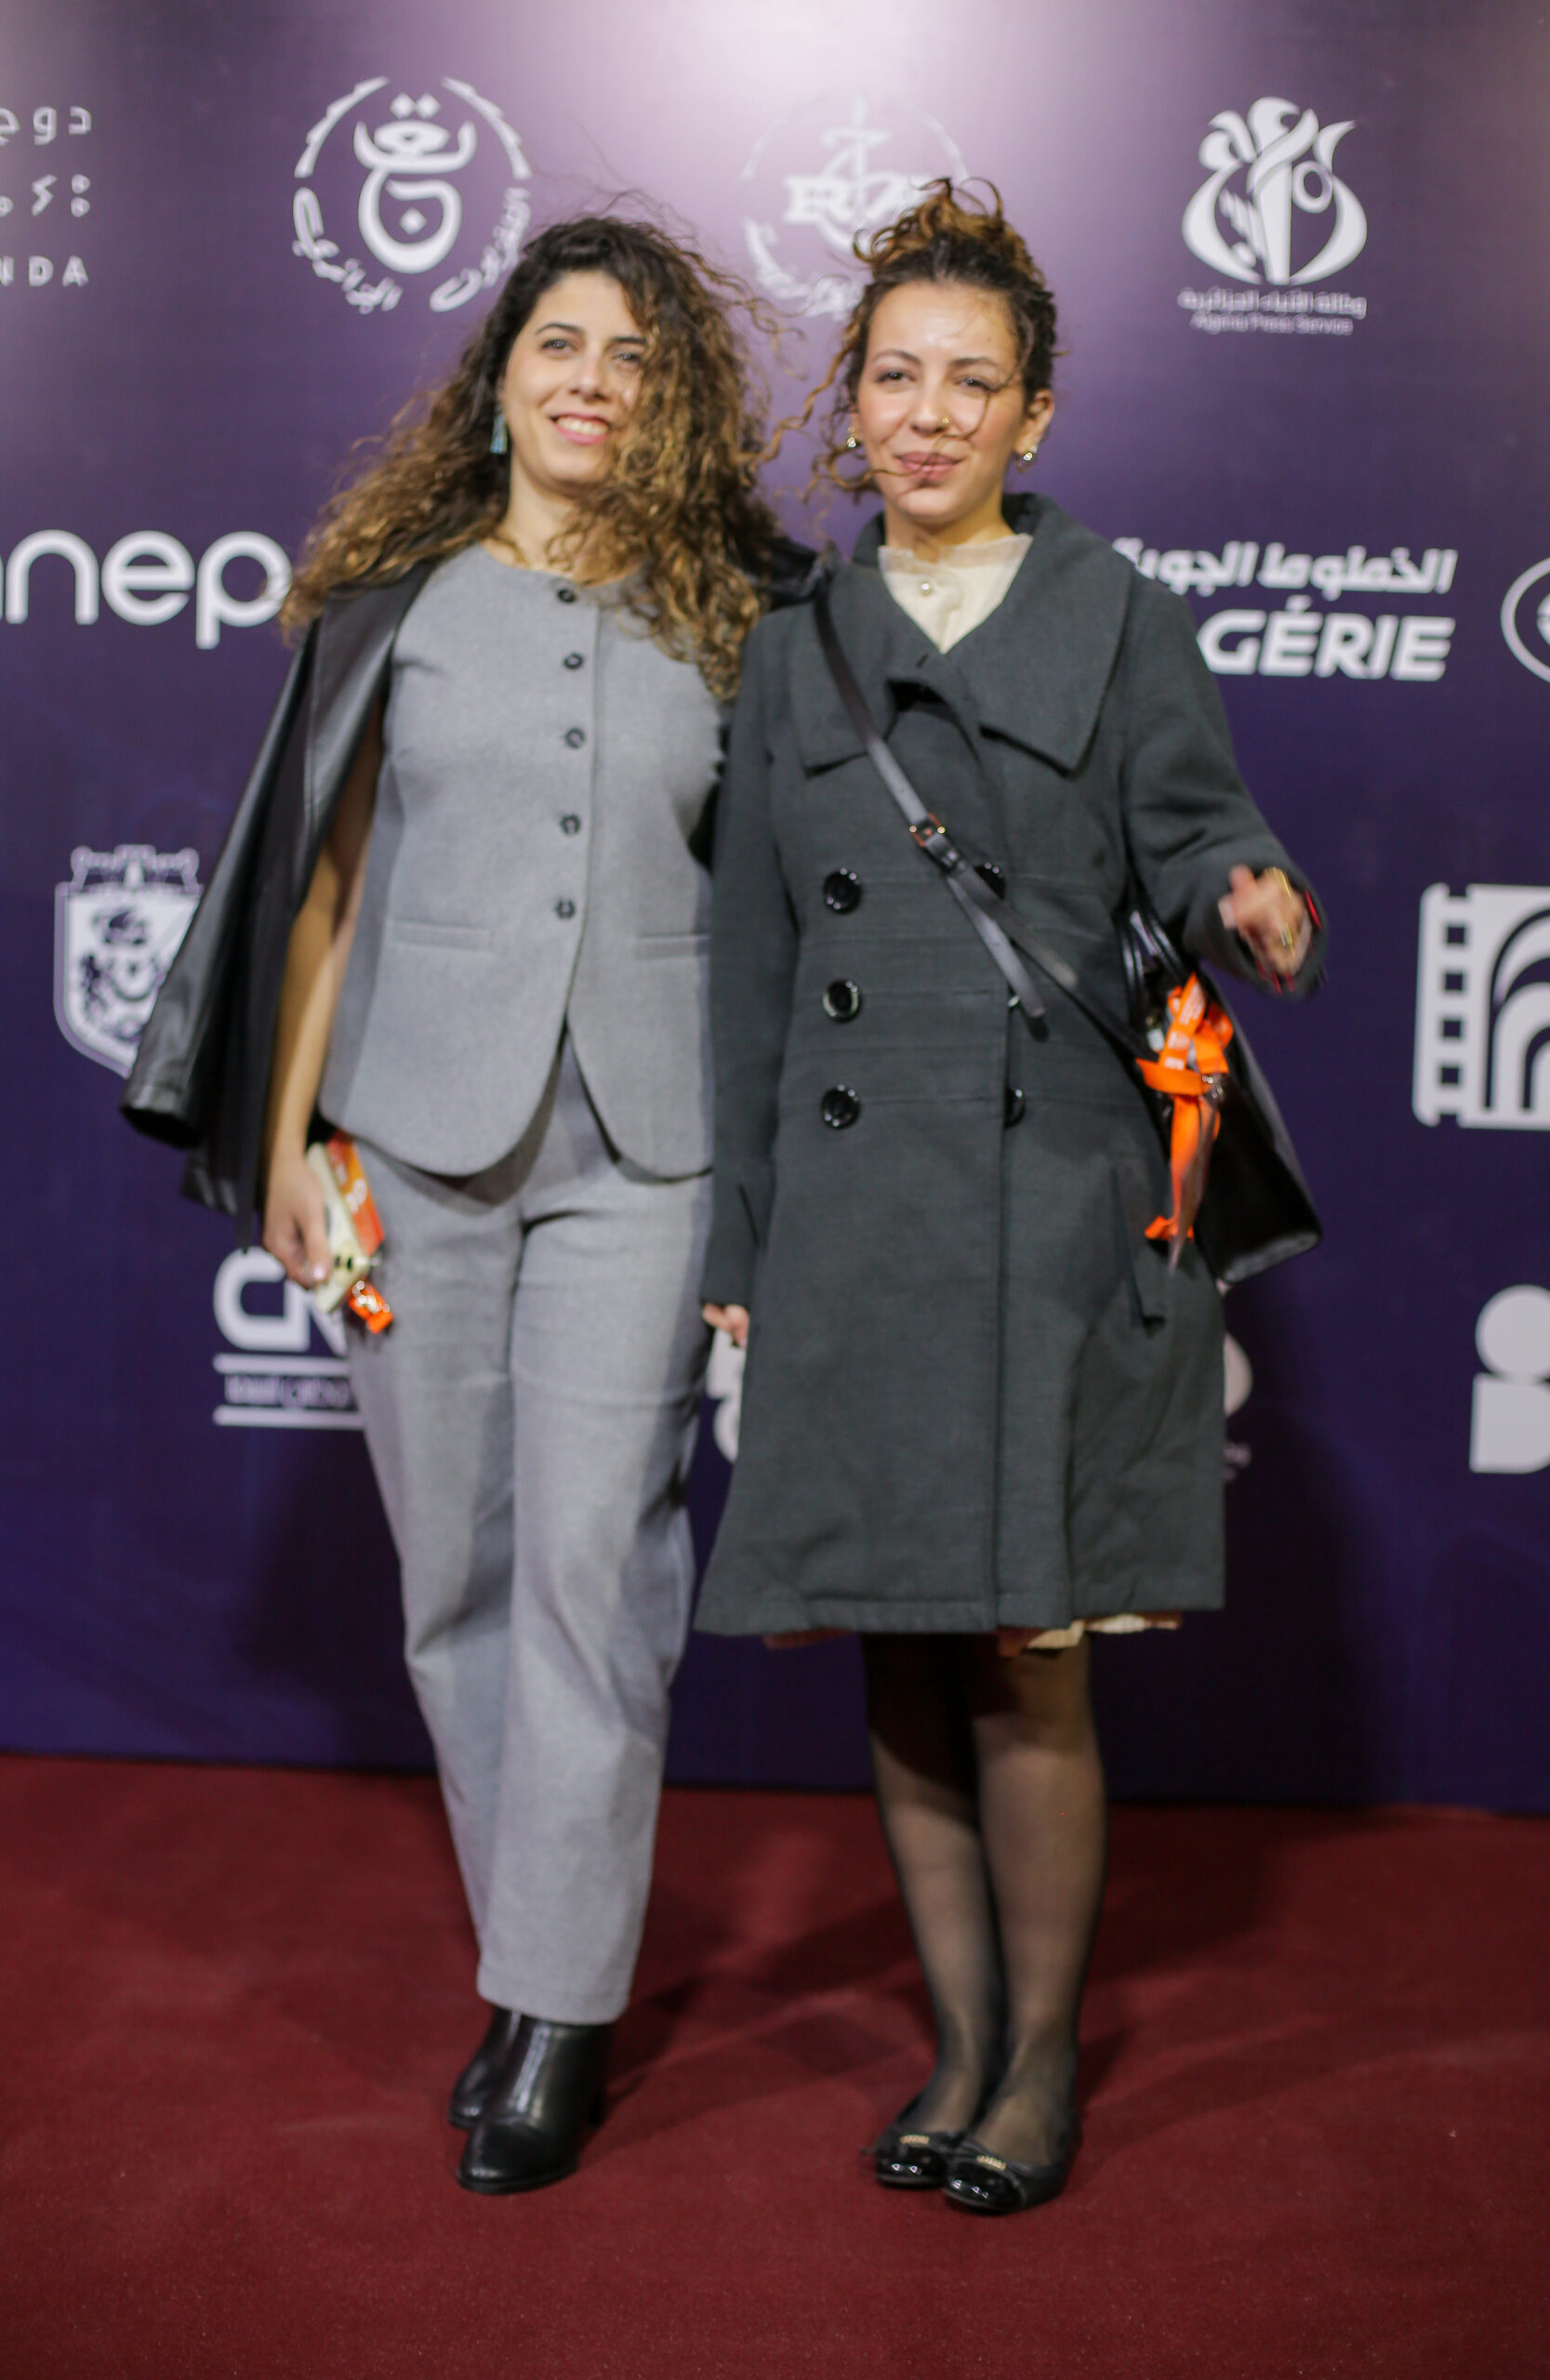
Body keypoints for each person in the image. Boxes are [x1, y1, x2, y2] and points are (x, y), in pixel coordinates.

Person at [125, 214, 796, 2195]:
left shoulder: (742, 616)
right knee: (456, 1583)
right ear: (498, 376)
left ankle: (557, 2009)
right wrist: (283, 1153)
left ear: (669, 403)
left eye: (633, 357)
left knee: (597, 1571)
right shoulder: (390, 605)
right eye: (559, 343)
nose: (592, 379)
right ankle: (533, 1961)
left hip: (646, 1159)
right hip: (409, 1149)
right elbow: (317, 890)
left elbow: (785, 910)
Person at [697, 184, 1325, 2216]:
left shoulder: (1120, 614)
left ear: (1033, 415)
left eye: (973, 383)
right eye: (895, 376)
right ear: (852, 402)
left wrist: (1247, 897)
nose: (929, 414)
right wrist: (738, 1242)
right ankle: (957, 2046)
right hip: (853, 1215)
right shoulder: (792, 648)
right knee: (898, 1641)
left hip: (1052, 1200)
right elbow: (752, 973)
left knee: (1026, 1649)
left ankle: (1041, 2064)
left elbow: (1196, 828)